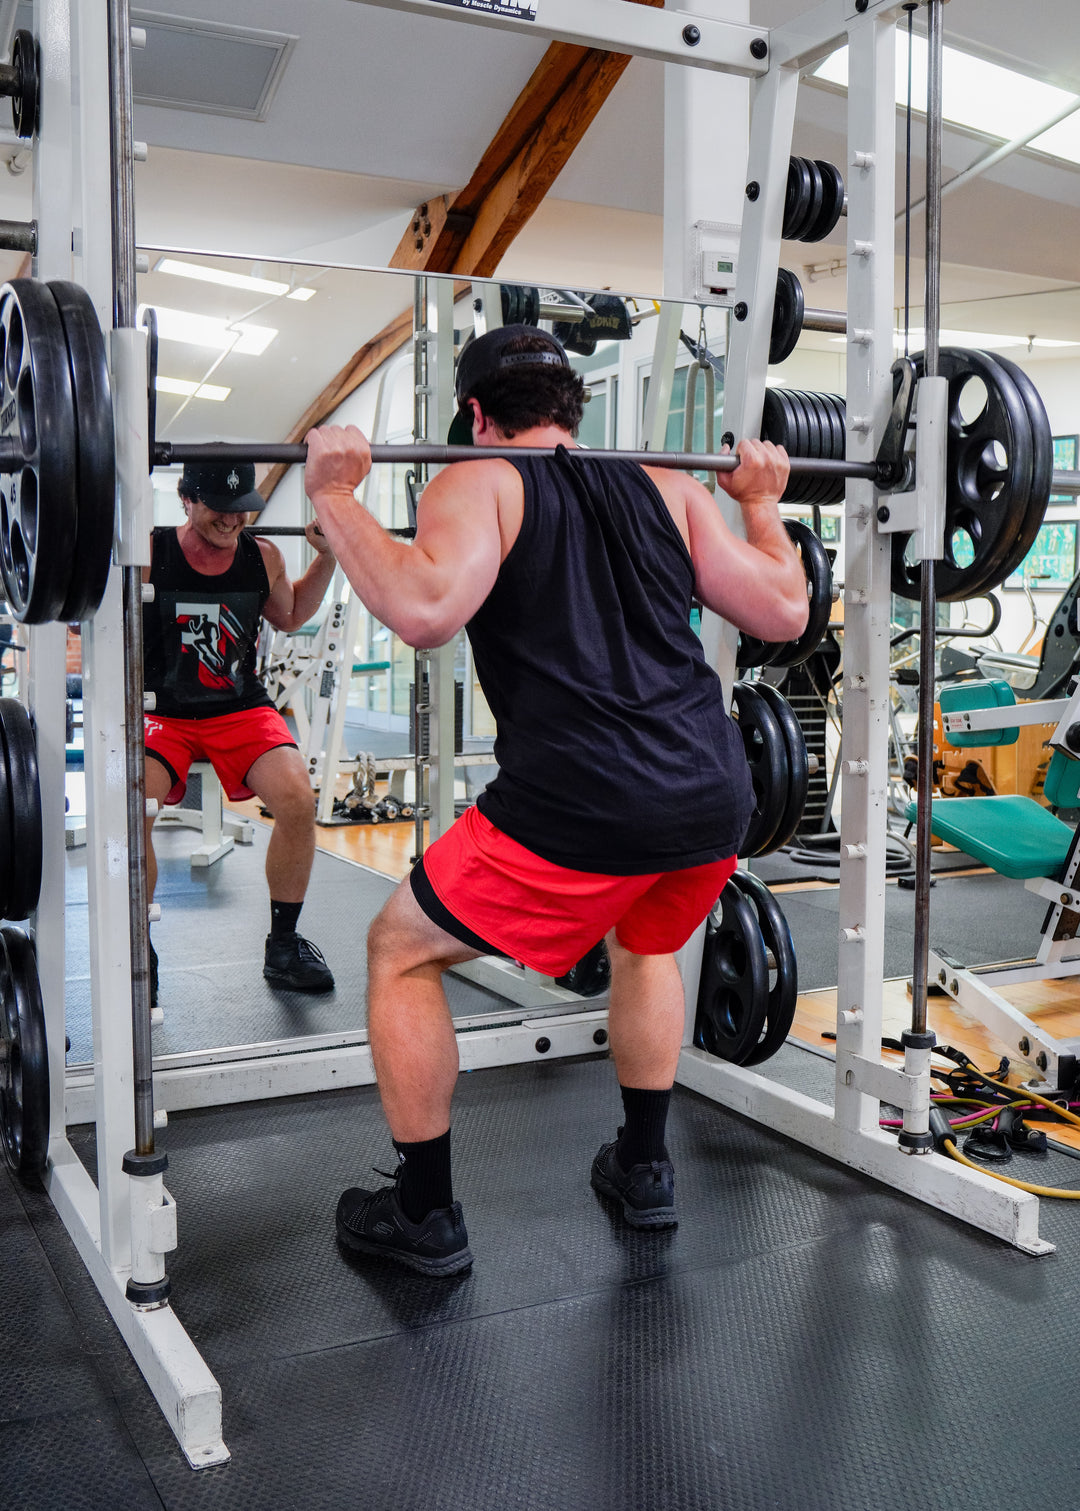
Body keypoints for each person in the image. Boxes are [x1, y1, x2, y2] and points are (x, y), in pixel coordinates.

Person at [303, 324, 808, 1277]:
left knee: (401, 949)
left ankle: (423, 1215)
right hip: (710, 790)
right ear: (573, 408)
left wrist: (334, 496)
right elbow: (784, 610)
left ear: (477, 415)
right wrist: (764, 504)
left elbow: (422, 610)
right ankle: (645, 1167)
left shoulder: (479, 478)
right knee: (649, 943)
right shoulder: (672, 485)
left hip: (582, 800)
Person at [142, 459, 337, 1001]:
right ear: (186, 499)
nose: (232, 522)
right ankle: (139, 951)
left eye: (241, 509)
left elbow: (292, 614)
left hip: (238, 707)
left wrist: (329, 555)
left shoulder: (263, 557)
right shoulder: (149, 553)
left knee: (298, 799)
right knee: (136, 812)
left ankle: (283, 946)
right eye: (219, 510)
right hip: (164, 711)